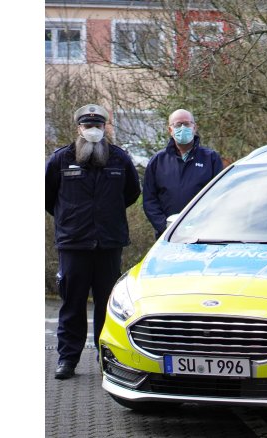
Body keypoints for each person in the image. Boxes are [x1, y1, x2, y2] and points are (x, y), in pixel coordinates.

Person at [45, 104, 141, 380]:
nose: (93, 131)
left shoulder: (119, 159)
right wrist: (70, 219)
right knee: (72, 303)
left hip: (109, 243)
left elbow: (131, 193)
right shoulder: (61, 159)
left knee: (107, 304)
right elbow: (48, 197)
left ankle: (106, 357)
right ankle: (67, 359)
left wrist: (106, 215)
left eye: (97, 126)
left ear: (105, 128)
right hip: (73, 243)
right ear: (79, 129)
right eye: (88, 127)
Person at [142, 109, 224, 238]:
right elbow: (149, 200)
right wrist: (165, 227)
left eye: (187, 124)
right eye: (178, 125)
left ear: (194, 127)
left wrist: (205, 225)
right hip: (167, 235)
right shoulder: (158, 161)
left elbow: (220, 195)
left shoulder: (211, 158)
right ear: (170, 130)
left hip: (203, 234)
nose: (183, 128)